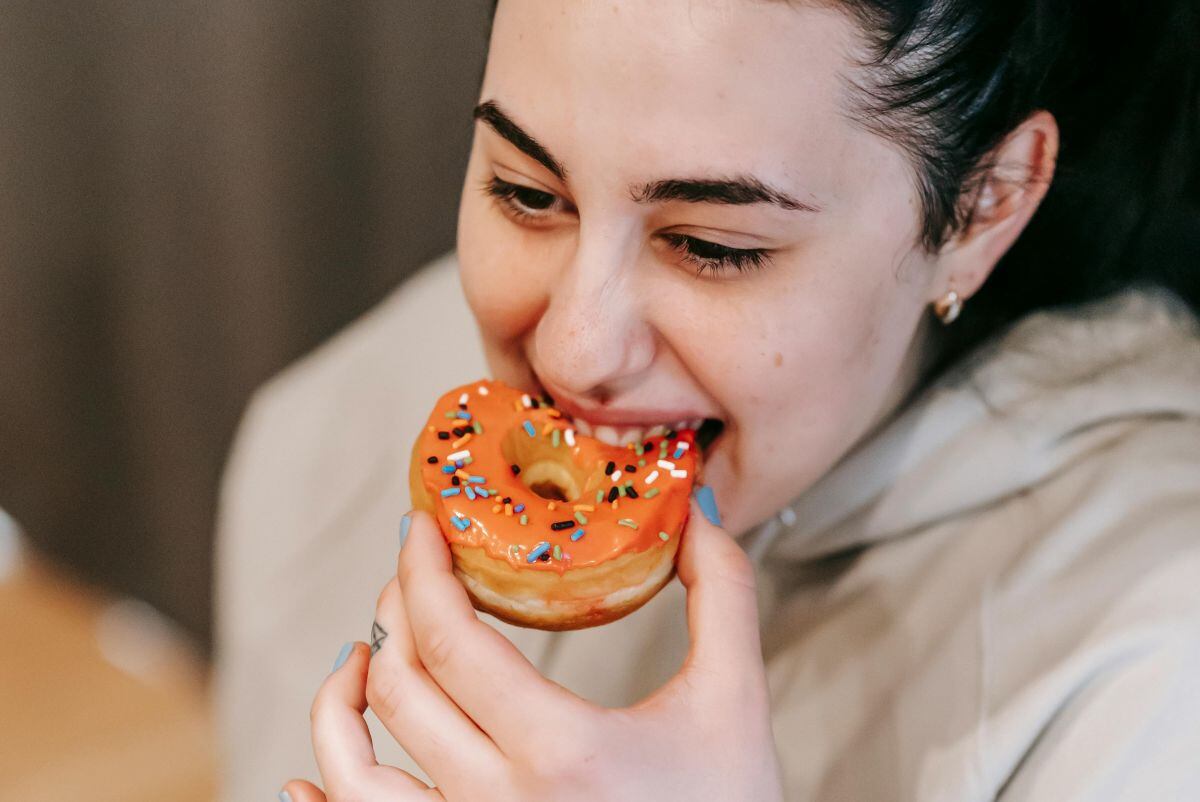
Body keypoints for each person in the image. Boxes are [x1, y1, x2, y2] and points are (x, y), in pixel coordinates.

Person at [214, 1, 1200, 799]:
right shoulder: (339, 423)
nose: (574, 348)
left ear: (986, 203)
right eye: (525, 191)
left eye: (715, 246)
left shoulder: (1149, 687)